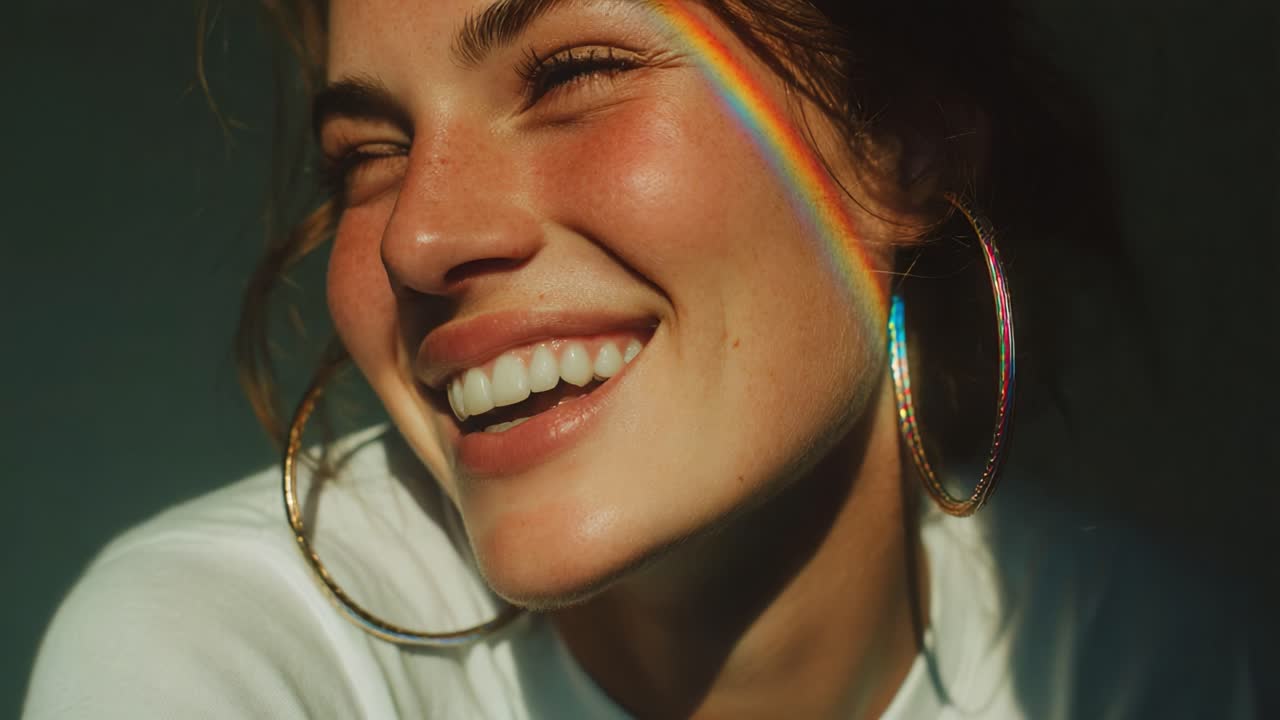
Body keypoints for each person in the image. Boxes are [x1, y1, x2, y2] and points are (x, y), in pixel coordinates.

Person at [24, 0, 1260, 717]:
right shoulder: (217, 660)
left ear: (905, 150)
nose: (420, 235)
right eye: (365, 154)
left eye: (575, 74)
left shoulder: (1155, 670)